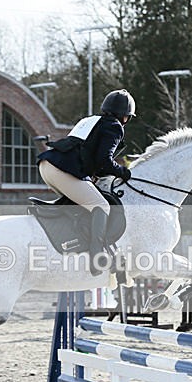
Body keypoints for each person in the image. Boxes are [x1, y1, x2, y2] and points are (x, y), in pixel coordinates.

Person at [37, 89, 135, 276]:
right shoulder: (114, 126)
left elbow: (88, 154)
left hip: (47, 166)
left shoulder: (91, 121)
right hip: (62, 170)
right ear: (125, 116)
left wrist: (93, 174)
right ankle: (97, 258)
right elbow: (104, 160)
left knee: (84, 205)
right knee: (101, 206)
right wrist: (123, 172)